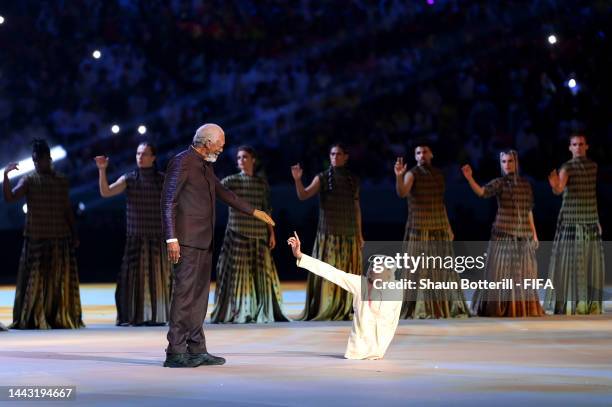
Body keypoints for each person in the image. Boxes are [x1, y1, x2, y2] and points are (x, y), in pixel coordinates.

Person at [161, 123, 275, 368]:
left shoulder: (205, 165)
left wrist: (254, 211)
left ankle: (196, 349)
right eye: (220, 144)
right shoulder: (182, 162)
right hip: (186, 242)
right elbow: (168, 201)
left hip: (204, 240)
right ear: (207, 142)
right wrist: (171, 238)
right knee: (184, 296)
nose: (223, 148)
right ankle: (176, 352)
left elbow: (224, 193)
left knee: (200, 297)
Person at [3, 139, 83, 329]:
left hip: (59, 237)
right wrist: (6, 175)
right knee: (35, 282)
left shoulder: (62, 181)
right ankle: (34, 317)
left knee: (58, 282)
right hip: (36, 237)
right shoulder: (29, 180)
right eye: (35, 160)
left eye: (40, 160)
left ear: (49, 158)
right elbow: (10, 197)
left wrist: (74, 233)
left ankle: (57, 316)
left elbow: (67, 209)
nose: (37, 163)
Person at [287, 232, 402, 360]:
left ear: (388, 273)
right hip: (357, 349)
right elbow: (332, 273)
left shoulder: (396, 289)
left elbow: (392, 321)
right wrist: (300, 255)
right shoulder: (360, 283)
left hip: (378, 347)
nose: (371, 269)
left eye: (378, 267)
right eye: (371, 265)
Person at [94, 142, 172, 326]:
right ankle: (131, 315)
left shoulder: (162, 180)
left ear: (153, 158)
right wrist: (102, 170)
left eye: (144, 154)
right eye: (138, 153)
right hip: (135, 237)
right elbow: (106, 192)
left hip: (156, 237)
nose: (140, 157)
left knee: (159, 279)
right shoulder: (129, 179)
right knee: (130, 279)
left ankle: (158, 315)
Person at [462, 149, 544, 317]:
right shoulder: (499, 183)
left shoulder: (525, 184)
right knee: (500, 274)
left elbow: (529, 210)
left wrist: (534, 234)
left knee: (524, 274)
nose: (507, 165)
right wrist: (470, 178)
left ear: (516, 162)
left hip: (523, 235)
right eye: (504, 162)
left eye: (510, 161)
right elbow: (482, 192)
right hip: (503, 233)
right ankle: (501, 308)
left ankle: (521, 308)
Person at [211, 146, 289, 323]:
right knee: (236, 276)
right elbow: (213, 189)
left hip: (258, 235)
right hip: (236, 234)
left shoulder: (262, 184)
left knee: (262, 275)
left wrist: (272, 233)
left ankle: (259, 309)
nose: (241, 160)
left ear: (253, 160)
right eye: (238, 158)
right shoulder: (230, 181)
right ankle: (239, 311)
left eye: (245, 157)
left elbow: (267, 209)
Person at [394, 142, 469, 318]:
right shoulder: (412, 174)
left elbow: (440, 203)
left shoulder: (438, 175)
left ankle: (439, 307)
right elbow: (402, 192)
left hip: (439, 227)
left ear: (431, 154)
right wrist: (399, 176)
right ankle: (419, 308)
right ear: (415, 156)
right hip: (418, 228)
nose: (421, 155)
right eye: (418, 153)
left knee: (441, 270)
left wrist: (448, 226)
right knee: (417, 271)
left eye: (424, 152)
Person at [290, 143, 364, 321]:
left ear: (346, 157)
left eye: (338, 154)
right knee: (327, 272)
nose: (335, 157)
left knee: (349, 273)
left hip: (349, 234)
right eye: (332, 154)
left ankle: (346, 306)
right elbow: (303, 195)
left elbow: (356, 207)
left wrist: (360, 234)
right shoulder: (322, 178)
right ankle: (327, 306)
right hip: (328, 234)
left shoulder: (353, 180)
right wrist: (297, 180)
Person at [545, 134, 604, 314]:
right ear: (570, 148)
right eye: (574, 144)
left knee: (590, 264)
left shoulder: (594, 167)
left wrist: (597, 219)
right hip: (571, 220)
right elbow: (559, 189)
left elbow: (591, 195)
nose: (577, 147)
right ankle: (568, 304)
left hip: (590, 220)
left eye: (580, 144)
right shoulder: (567, 167)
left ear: (586, 146)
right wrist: (555, 185)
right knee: (569, 265)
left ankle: (587, 304)